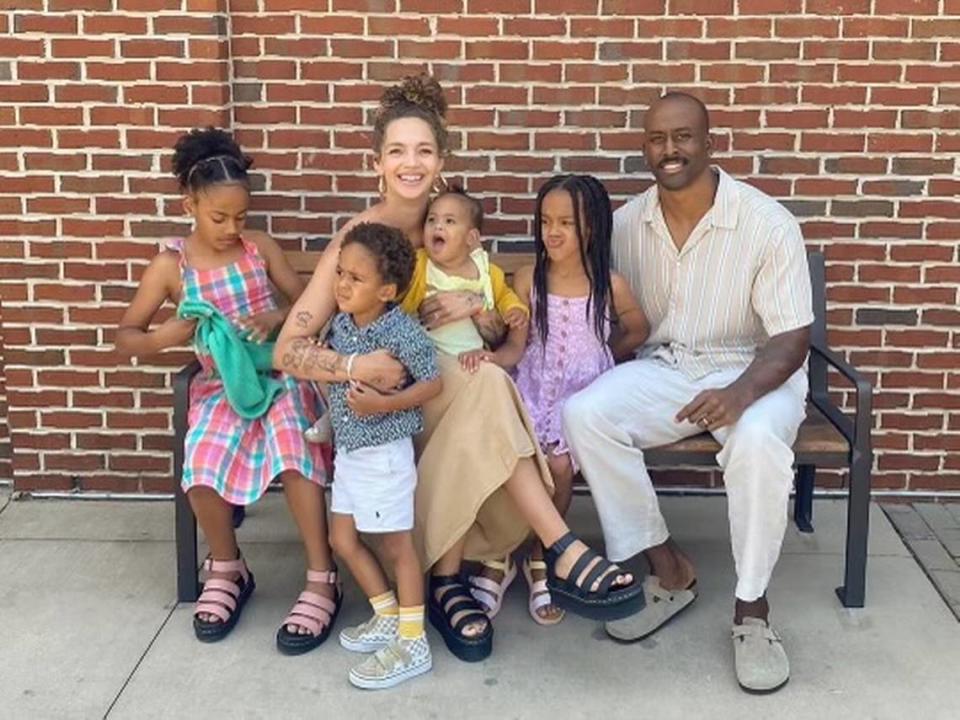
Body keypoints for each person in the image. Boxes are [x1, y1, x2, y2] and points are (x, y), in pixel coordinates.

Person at [274, 74, 644, 664]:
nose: (410, 163)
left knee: (489, 384)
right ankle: (556, 550)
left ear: (441, 161)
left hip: (450, 387)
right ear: (378, 163)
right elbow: (287, 351)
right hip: (385, 404)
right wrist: (353, 363)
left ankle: (463, 575)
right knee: (489, 388)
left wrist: (482, 310)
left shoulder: (454, 235)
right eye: (397, 151)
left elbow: (500, 321)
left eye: (423, 150)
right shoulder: (361, 239)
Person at [562, 92, 814, 693]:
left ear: (708, 142)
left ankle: (752, 610)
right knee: (585, 413)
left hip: (754, 369)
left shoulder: (766, 223)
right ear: (645, 147)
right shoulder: (624, 225)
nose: (668, 150)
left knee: (754, 439)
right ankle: (668, 569)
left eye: (682, 137)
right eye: (656, 139)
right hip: (666, 366)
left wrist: (737, 394)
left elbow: (791, 339)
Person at [115, 128, 340, 654]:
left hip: (281, 375)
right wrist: (166, 336)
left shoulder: (258, 249)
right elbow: (127, 337)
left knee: (294, 444)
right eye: (219, 218)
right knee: (202, 461)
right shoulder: (172, 267)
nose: (232, 228)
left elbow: (310, 302)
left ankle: (321, 574)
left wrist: (279, 316)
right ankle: (227, 566)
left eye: (240, 217)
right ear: (189, 203)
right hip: (219, 387)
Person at [503, 174, 648, 625]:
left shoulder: (609, 283)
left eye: (567, 221)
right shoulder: (529, 278)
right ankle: (504, 551)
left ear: (593, 228)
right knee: (520, 454)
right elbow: (514, 335)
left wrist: (608, 356)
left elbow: (638, 328)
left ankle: (542, 552)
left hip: (578, 397)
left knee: (560, 466)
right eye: (546, 221)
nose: (554, 231)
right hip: (530, 386)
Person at [324, 222, 442, 689]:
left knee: (397, 547)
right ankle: (388, 614)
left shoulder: (401, 332)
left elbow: (433, 382)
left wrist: (384, 404)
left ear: (388, 290)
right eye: (340, 273)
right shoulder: (340, 323)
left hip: (385, 456)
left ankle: (414, 643)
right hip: (350, 455)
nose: (342, 284)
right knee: (343, 540)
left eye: (356, 278)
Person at [403, 187, 529, 376]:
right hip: (426, 358)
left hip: (471, 357)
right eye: (432, 220)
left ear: (471, 238)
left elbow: (503, 295)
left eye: (449, 221)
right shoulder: (419, 264)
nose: (438, 226)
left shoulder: (485, 272)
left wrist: (514, 310)